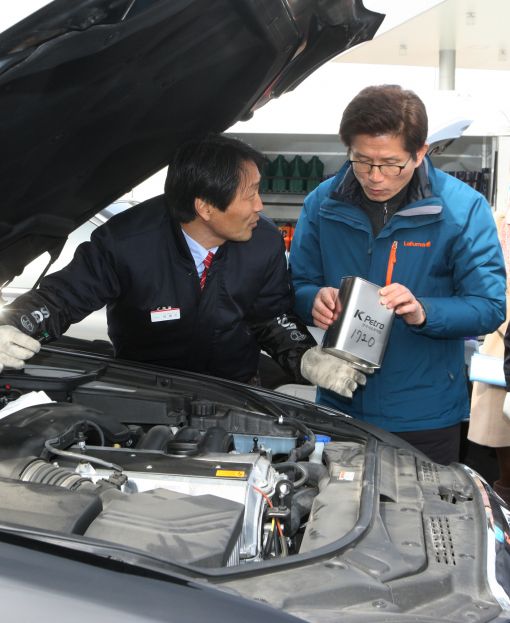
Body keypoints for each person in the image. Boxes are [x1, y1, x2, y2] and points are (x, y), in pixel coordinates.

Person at [0, 133, 367, 395]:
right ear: (205, 207)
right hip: (144, 395)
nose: (260, 206)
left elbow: (270, 317)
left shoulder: (264, 242)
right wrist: (11, 325)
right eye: (250, 193)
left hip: (234, 395)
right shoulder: (125, 244)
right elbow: (59, 300)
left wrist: (305, 358)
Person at [292, 84, 506, 465]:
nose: (375, 176)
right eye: (361, 160)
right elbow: (298, 284)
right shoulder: (322, 203)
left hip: (423, 412)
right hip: (341, 399)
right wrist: (314, 300)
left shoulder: (462, 209)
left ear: (420, 151)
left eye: (391, 163)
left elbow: (489, 306)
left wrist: (424, 311)